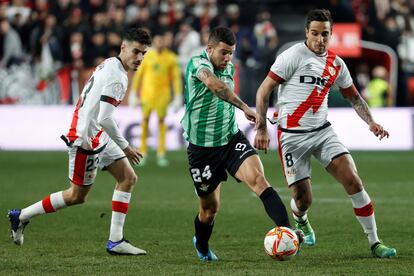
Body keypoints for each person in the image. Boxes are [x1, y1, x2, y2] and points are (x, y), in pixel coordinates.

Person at [254, 9, 396, 258]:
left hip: (322, 132)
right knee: (302, 199)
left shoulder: (336, 64)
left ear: (331, 35)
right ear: (307, 33)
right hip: (291, 137)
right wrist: (262, 128)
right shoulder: (292, 56)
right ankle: (301, 219)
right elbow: (263, 91)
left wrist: (371, 122)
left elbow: (354, 97)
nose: (320, 39)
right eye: (315, 33)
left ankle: (375, 243)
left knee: (353, 180)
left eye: (325, 34)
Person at [7, 27, 152, 256]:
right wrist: (126, 146)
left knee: (128, 177)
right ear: (123, 47)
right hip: (86, 139)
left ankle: (116, 240)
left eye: (144, 53)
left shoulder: (111, 63)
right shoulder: (117, 77)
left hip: (96, 133)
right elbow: (105, 117)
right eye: (136, 52)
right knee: (76, 196)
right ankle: (21, 216)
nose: (140, 58)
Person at [181, 27, 303, 262]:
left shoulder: (229, 67)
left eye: (231, 53)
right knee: (209, 211)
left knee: (259, 180)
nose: (227, 58)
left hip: (230, 139)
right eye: (223, 52)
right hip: (202, 150)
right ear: (210, 49)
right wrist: (245, 107)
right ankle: (202, 245)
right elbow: (216, 87)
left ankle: (288, 231)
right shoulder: (198, 64)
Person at [129, 30, 182, 167]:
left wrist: (177, 95)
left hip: (162, 96)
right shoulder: (147, 56)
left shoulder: (170, 58)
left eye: (161, 40)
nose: (159, 43)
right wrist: (133, 93)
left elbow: (175, 79)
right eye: (157, 40)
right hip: (147, 95)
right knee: (145, 122)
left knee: (162, 123)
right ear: (154, 42)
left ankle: (161, 153)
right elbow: (139, 75)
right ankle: (143, 152)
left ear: (164, 42)